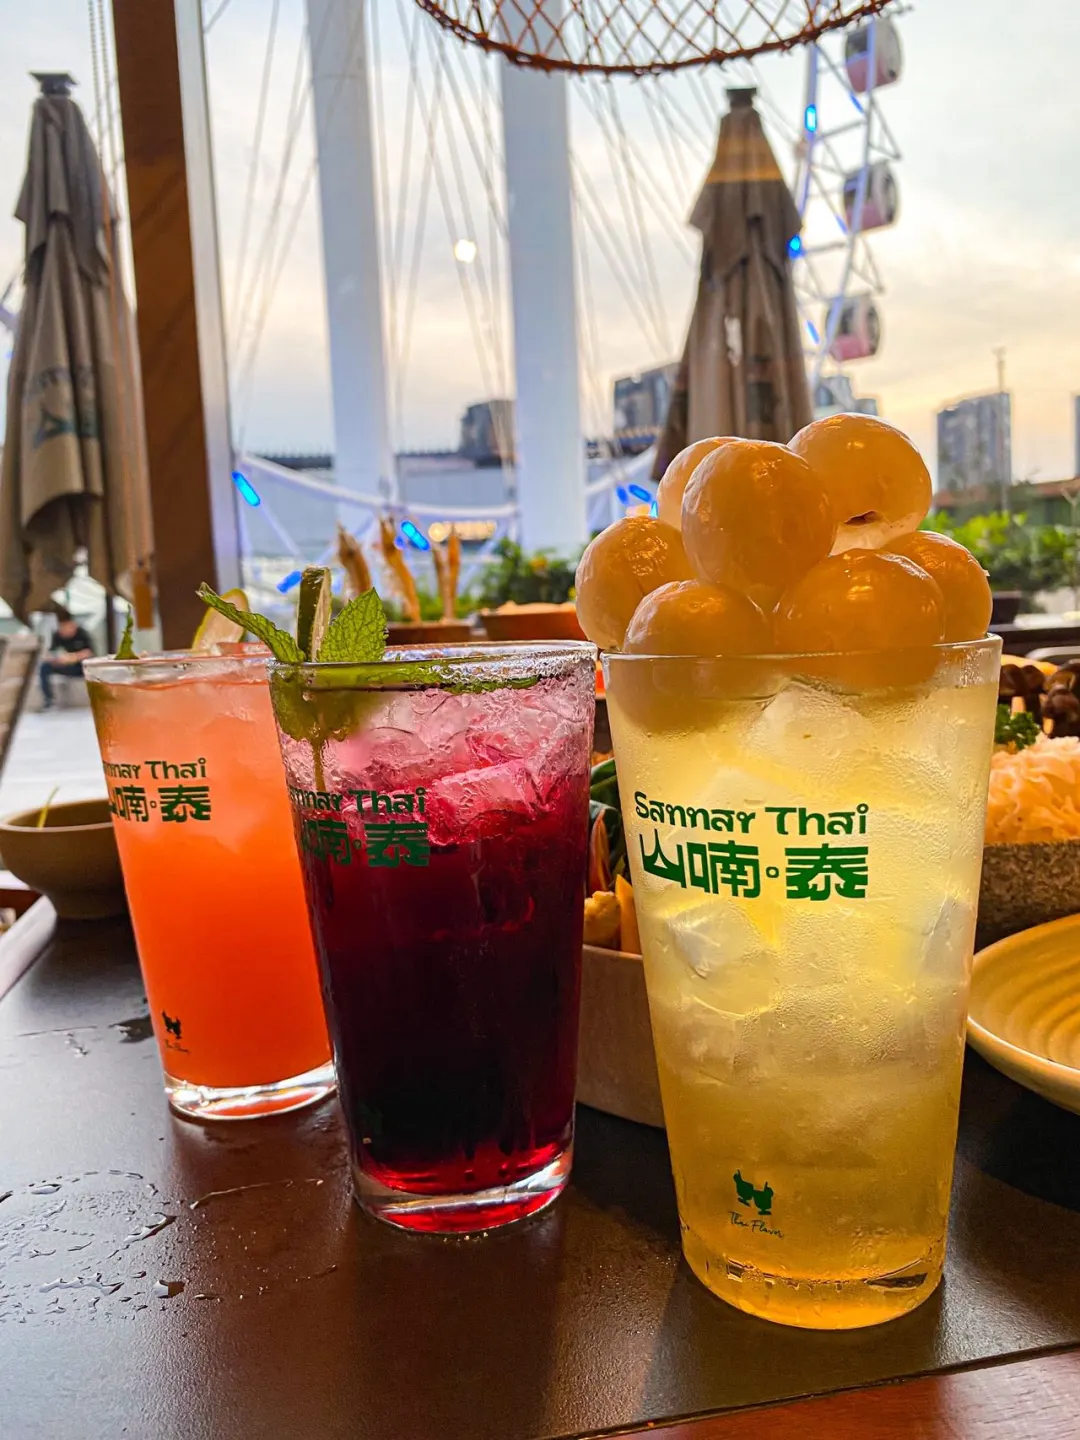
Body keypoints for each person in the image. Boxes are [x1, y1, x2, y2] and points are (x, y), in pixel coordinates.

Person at [39, 608, 95, 710]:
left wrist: (73, 657)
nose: (64, 630)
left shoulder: (82, 633)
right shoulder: (57, 635)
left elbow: (89, 652)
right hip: (65, 666)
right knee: (44, 667)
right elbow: (50, 652)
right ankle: (49, 700)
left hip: (80, 667)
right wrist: (55, 659)